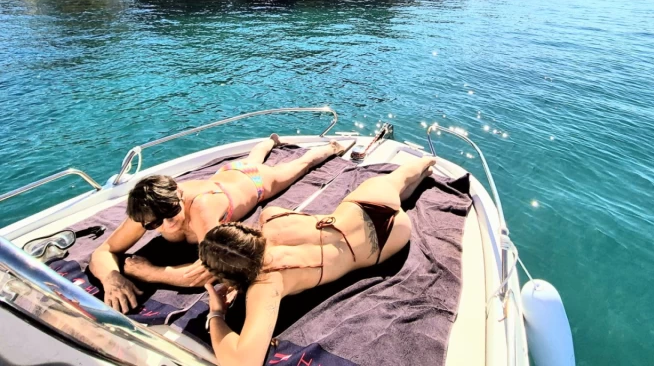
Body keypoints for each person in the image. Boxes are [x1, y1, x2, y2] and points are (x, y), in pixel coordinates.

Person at [198, 155, 436, 366]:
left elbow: (244, 362)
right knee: (403, 177)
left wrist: (216, 314)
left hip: (389, 240)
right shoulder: (272, 217)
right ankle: (426, 163)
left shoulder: (267, 283)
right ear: (241, 230)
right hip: (367, 204)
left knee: (401, 194)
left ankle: (416, 181)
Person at [90, 135, 351, 313]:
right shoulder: (149, 211)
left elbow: (211, 270)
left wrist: (149, 272)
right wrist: (111, 277)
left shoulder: (201, 208)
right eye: (154, 224)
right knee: (250, 159)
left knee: (299, 165)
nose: (166, 225)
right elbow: (103, 251)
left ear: (179, 194)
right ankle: (267, 143)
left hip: (255, 183)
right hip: (226, 175)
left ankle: (329, 148)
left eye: (172, 213)